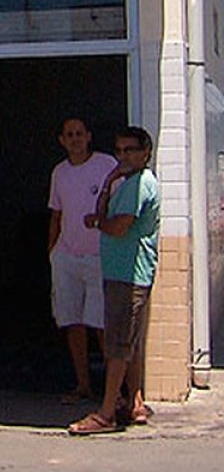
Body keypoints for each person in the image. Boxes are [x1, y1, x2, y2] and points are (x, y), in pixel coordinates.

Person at [68, 127, 160, 435]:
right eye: (119, 150)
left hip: (129, 276)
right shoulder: (126, 183)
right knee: (128, 343)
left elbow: (119, 226)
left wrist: (101, 225)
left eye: (130, 150)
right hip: (119, 273)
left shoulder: (141, 185)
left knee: (117, 345)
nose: (123, 156)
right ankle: (134, 402)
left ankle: (107, 411)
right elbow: (103, 213)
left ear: (145, 152)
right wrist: (108, 183)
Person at [47, 117, 117, 403]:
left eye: (79, 133)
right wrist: (51, 252)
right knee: (72, 322)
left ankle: (116, 392)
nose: (75, 139)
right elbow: (56, 214)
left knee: (101, 325)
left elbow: (120, 203)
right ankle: (83, 384)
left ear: (89, 136)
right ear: (62, 140)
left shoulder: (107, 165)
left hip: (99, 257)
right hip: (66, 257)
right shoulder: (59, 173)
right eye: (69, 135)